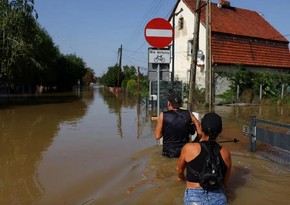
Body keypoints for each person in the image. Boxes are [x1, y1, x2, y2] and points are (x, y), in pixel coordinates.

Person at [177, 112, 232, 205]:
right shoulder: (226, 153)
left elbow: (179, 171)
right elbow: (225, 184)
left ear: (201, 128)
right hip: (219, 197)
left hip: (193, 198)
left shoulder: (189, 148)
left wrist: (182, 179)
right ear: (220, 131)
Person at [154, 93, 202, 158]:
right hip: (185, 151)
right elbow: (200, 132)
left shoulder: (163, 115)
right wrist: (194, 142)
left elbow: (157, 136)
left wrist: (167, 128)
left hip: (168, 152)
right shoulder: (188, 113)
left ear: (169, 103)